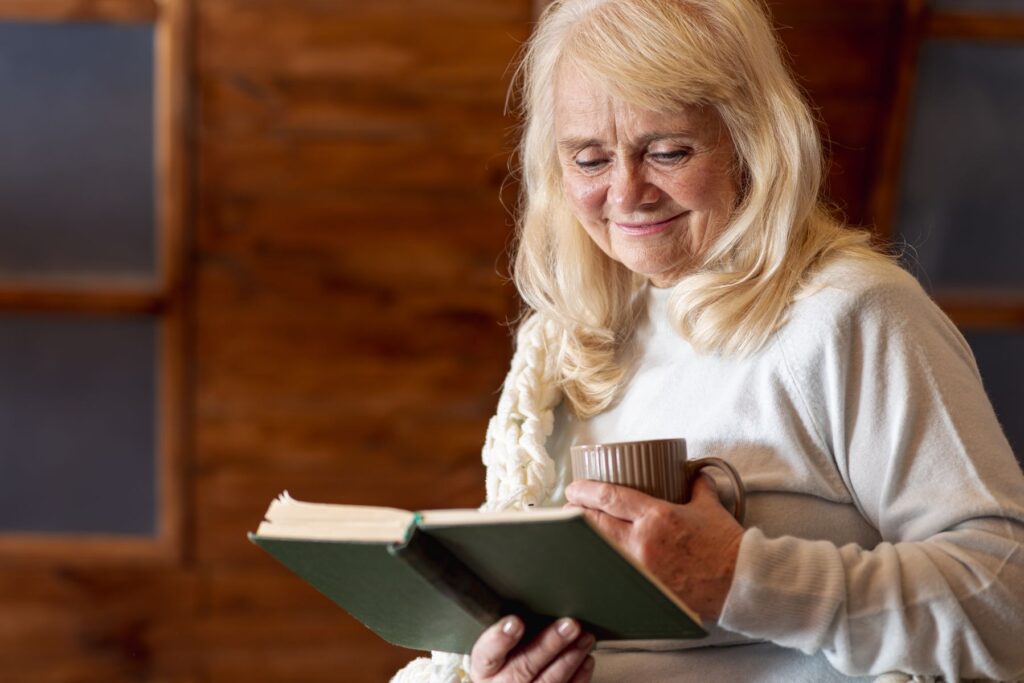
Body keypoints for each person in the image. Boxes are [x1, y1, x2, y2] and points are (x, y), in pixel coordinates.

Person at [392, 0, 1024, 680]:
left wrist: (740, 578)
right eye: (590, 158)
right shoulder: (565, 348)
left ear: (752, 137)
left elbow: (1007, 602)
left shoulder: (852, 315)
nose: (627, 192)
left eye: (668, 151)